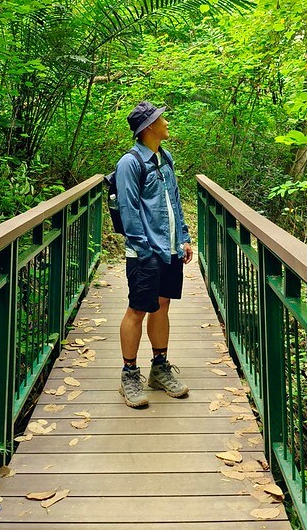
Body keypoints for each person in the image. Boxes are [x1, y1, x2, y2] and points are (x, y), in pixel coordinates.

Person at [115, 101, 193, 408]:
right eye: (162, 119)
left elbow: (174, 200)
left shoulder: (165, 158)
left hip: (170, 247)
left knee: (162, 305)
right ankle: (129, 374)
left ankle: (159, 368)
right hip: (144, 251)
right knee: (138, 308)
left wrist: (184, 239)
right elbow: (128, 209)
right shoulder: (130, 163)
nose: (166, 122)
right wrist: (144, 249)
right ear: (149, 128)